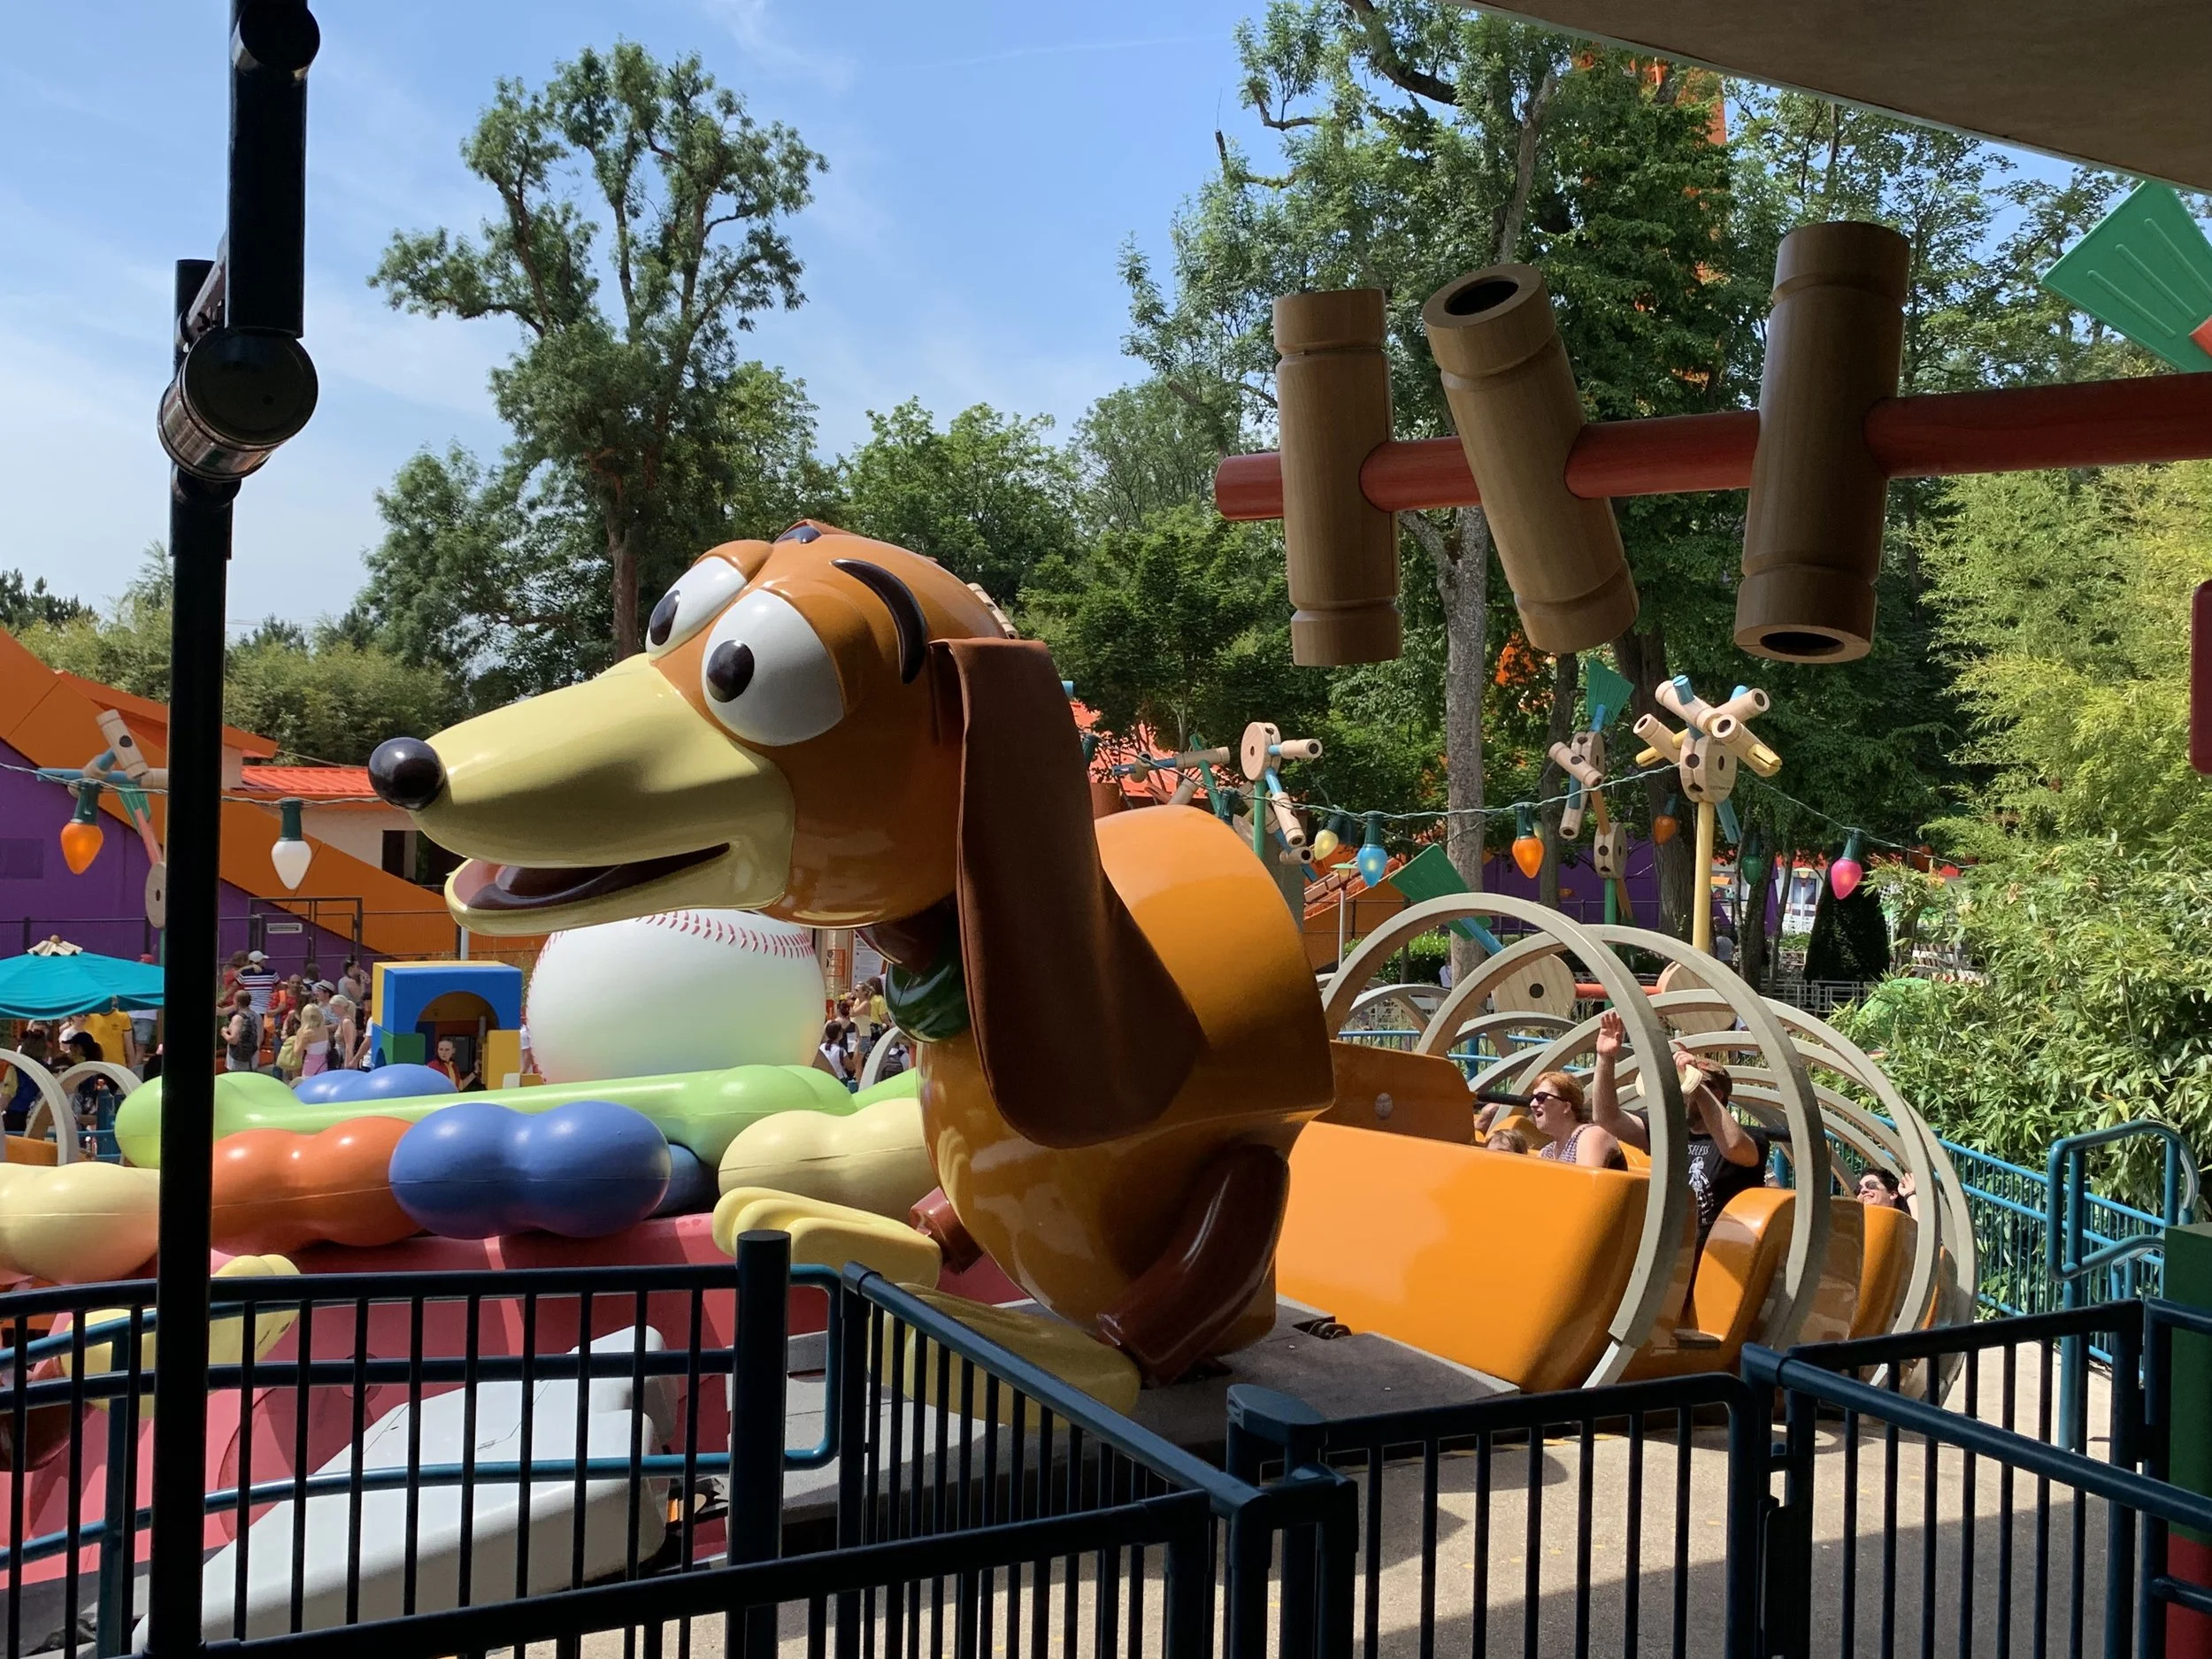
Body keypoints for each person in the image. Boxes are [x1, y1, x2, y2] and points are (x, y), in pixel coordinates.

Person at [1589, 1010, 1768, 1252]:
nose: (1679, 1094)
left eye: (1685, 1087)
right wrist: (1605, 1058)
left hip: (1719, 1256)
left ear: (1715, 1095)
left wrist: (1696, 1085)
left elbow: (1735, 1147)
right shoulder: (1670, 1132)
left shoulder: (1749, 1139)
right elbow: (1606, 1117)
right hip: (1669, 1252)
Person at [1526, 1071, 1627, 1170]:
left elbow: (1585, 1183)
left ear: (1566, 1106)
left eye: (1541, 1097)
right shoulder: (1546, 1152)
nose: (1533, 1104)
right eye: (1533, 1098)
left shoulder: (1592, 1135)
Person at [3, 1028, 53, 1133]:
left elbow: (6, 1096)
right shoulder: (48, 1070)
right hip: (40, 1116)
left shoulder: (15, 1069)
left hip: (15, 1117)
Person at [76, 999, 136, 1074]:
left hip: (117, 1066)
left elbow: (129, 1043)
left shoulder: (123, 1016)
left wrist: (132, 1067)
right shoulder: (88, 1015)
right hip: (93, 1066)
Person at [222, 990, 262, 1073]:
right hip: (252, 1061)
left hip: (236, 1061)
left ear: (237, 1002)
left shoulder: (237, 1018)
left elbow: (233, 1040)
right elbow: (260, 1038)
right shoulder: (258, 1017)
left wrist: (224, 1032)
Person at [295, 1002, 332, 1077]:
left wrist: (297, 1037)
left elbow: (297, 1053)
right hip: (323, 1063)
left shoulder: (307, 1033)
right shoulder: (324, 1029)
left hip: (311, 1064)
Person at [816, 1019, 855, 1089]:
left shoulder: (821, 1048)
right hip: (840, 1080)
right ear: (839, 1034)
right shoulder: (840, 1051)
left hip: (825, 1079)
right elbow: (851, 1067)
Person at [237, 951, 278, 1017]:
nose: (264, 962)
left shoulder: (244, 974)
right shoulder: (271, 973)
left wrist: (250, 966)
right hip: (266, 1011)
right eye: (263, 960)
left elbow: (235, 980)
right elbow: (280, 988)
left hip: (250, 1011)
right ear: (260, 961)